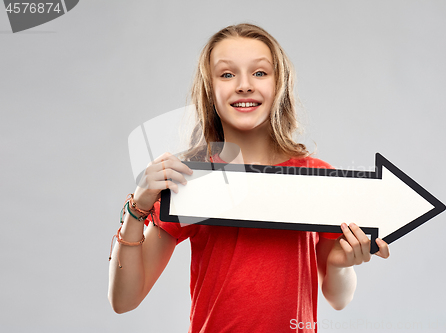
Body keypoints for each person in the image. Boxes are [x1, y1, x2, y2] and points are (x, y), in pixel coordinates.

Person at [108, 23, 390, 332]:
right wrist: (137, 208)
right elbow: (124, 300)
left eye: (259, 73)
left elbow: (338, 297)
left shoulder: (318, 177)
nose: (244, 85)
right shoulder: (192, 179)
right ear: (210, 90)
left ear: (279, 85)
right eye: (227, 74)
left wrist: (340, 264)